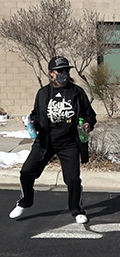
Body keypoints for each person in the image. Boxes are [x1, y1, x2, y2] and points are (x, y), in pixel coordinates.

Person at [9, 56, 97, 224]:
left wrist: (87, 124)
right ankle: (25, 201)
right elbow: (36, 114)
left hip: (69, 142)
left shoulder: (77, 92)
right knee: (26, 172)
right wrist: (31, 122)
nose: (64, 73)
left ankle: (76, 209)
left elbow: (90, 115)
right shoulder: (43, 93)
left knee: (72, 179)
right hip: (45, 141)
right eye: (60, 71)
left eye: (67, 70)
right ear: (51, 73)